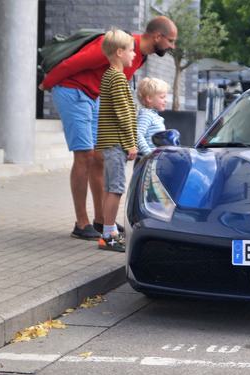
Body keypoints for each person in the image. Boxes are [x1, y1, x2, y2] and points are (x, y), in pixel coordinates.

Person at [39, 16, 177, 240]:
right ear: (157, 37)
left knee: (99, 157)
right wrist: (47, 83)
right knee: (83, 155)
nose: (172, 47)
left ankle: (102, 220)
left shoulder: (138, 54)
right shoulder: (118, 45)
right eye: (170, 41)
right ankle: (81, 223)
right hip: (72, 91)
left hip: (93, 96)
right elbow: (72, 63)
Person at [95, 29, 138, 252]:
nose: (134, 54)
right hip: (116, 143)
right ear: (119, 52)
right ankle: (109, 236)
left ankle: (107, 232)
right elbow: (123, 114)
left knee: (110, 187)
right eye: (131, 50)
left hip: (110, 142)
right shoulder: (118, 78)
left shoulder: (109, 75)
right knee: (116, 188)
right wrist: (131, 143)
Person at [136, 77, 169, 156]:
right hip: (148, 162)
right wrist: (148, 154)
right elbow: (137, 134)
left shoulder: (154, 115)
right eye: (162, 97)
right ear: (149, 98)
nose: (166, 100)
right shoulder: (146, 115)